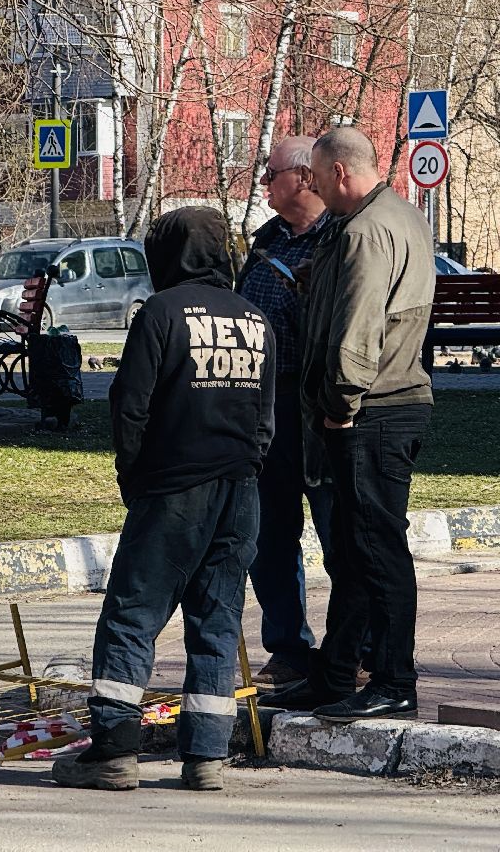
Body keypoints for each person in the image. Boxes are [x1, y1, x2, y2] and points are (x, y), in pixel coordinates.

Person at [52, 206, 274, 793]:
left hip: (173, 491)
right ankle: (205, 758)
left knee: (132, 616)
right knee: (217, 621)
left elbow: (129, 405)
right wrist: (247, 468)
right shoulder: (255, 319)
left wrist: (134, 478)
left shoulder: (161, 313)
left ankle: (113, 751)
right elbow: (266, 420)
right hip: (241, 492)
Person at [270, 128, 435, 722]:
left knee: (374, 550)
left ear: (340, 172)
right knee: (355, 549)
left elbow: (360, 330)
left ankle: (393, 680)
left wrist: (339, 405)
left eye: (317, 177)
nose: (314, 188)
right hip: (389, 401)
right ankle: (335, 674)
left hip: (372, 408)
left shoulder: (363, 230)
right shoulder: (400, 215)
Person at [235, 136, 333, 688]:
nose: (263, 182)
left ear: (304, 178)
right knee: (270, 531)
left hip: (321, 404)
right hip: (264, 404)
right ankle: (289, 648)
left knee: (338, 530)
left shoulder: (339, 236)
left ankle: (353, 649)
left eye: (270, 173)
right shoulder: (268, 238)